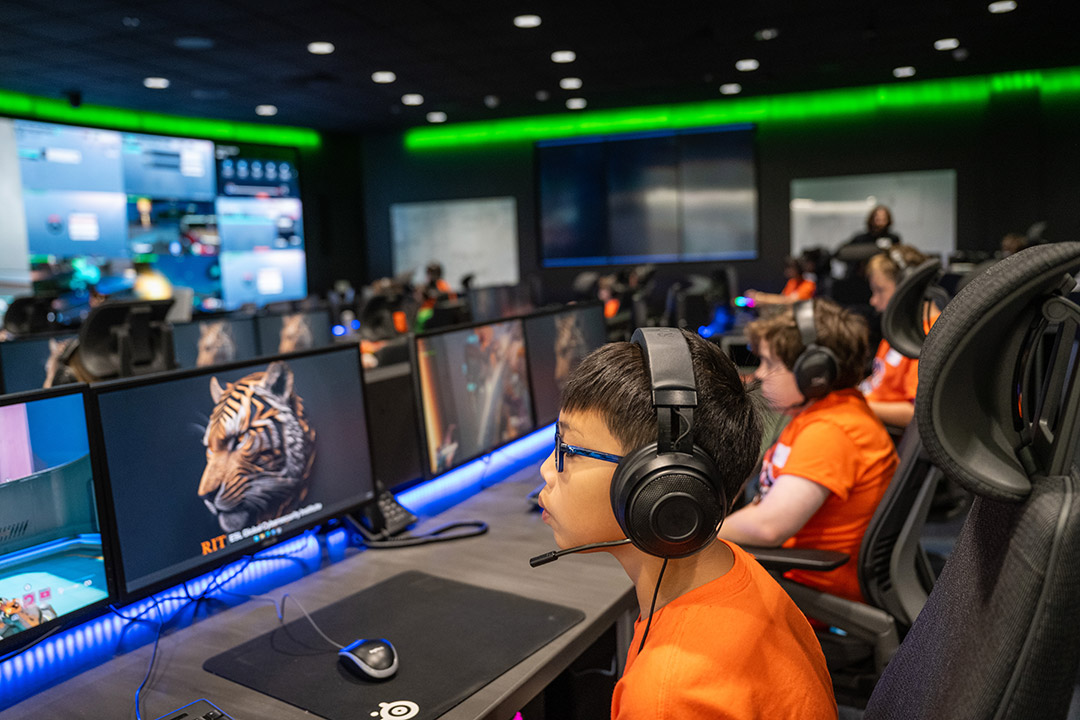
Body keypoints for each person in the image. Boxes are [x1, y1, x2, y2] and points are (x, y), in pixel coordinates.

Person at [537, 330, 837, 719]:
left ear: (663, 483)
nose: (546, 470)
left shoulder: (669, 694)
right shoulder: (736, 568)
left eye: (568, 450)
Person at [718, 299, 898, 605]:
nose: (760, 374)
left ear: (814, 373)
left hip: (807, 594)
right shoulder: (818, 415)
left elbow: (768, 526)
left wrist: (701, 532)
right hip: (787, 575)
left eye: (770, 363)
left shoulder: (832, 431)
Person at [860, 245, 940, 429]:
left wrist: (858, 405)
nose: (873, 300)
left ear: (909, 290)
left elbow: (915, 414)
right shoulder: (899, 329)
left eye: (880, 290)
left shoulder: (927, 339)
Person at [744, 254, 817, 306]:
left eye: (790, 268)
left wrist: (759, 297)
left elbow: (788, 301)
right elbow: (782, 298)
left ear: (798, 269)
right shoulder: (792, 282)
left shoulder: (808, 284)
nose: (786, 271)